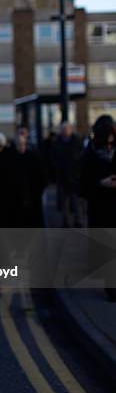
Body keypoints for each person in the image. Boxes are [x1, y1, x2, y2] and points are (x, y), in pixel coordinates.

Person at [79, 115, 116, 302]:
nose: (109, 146)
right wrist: (101, 182)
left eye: (112, 142)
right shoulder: (90, 155)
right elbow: (82, 186)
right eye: (107, 142)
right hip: (101, 209)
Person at [51, 122, 83, 227]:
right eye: (63, 129)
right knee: (64, 201)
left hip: (74, 176)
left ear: (71, 129)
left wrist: (78, 172)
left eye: (67, 129)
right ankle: (65, 221)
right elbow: (53, 158)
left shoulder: (77, 141)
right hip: (62, 176)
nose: (65, 131)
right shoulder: (57, 142)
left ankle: (77, 220)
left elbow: (81, 157)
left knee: (76, 200)